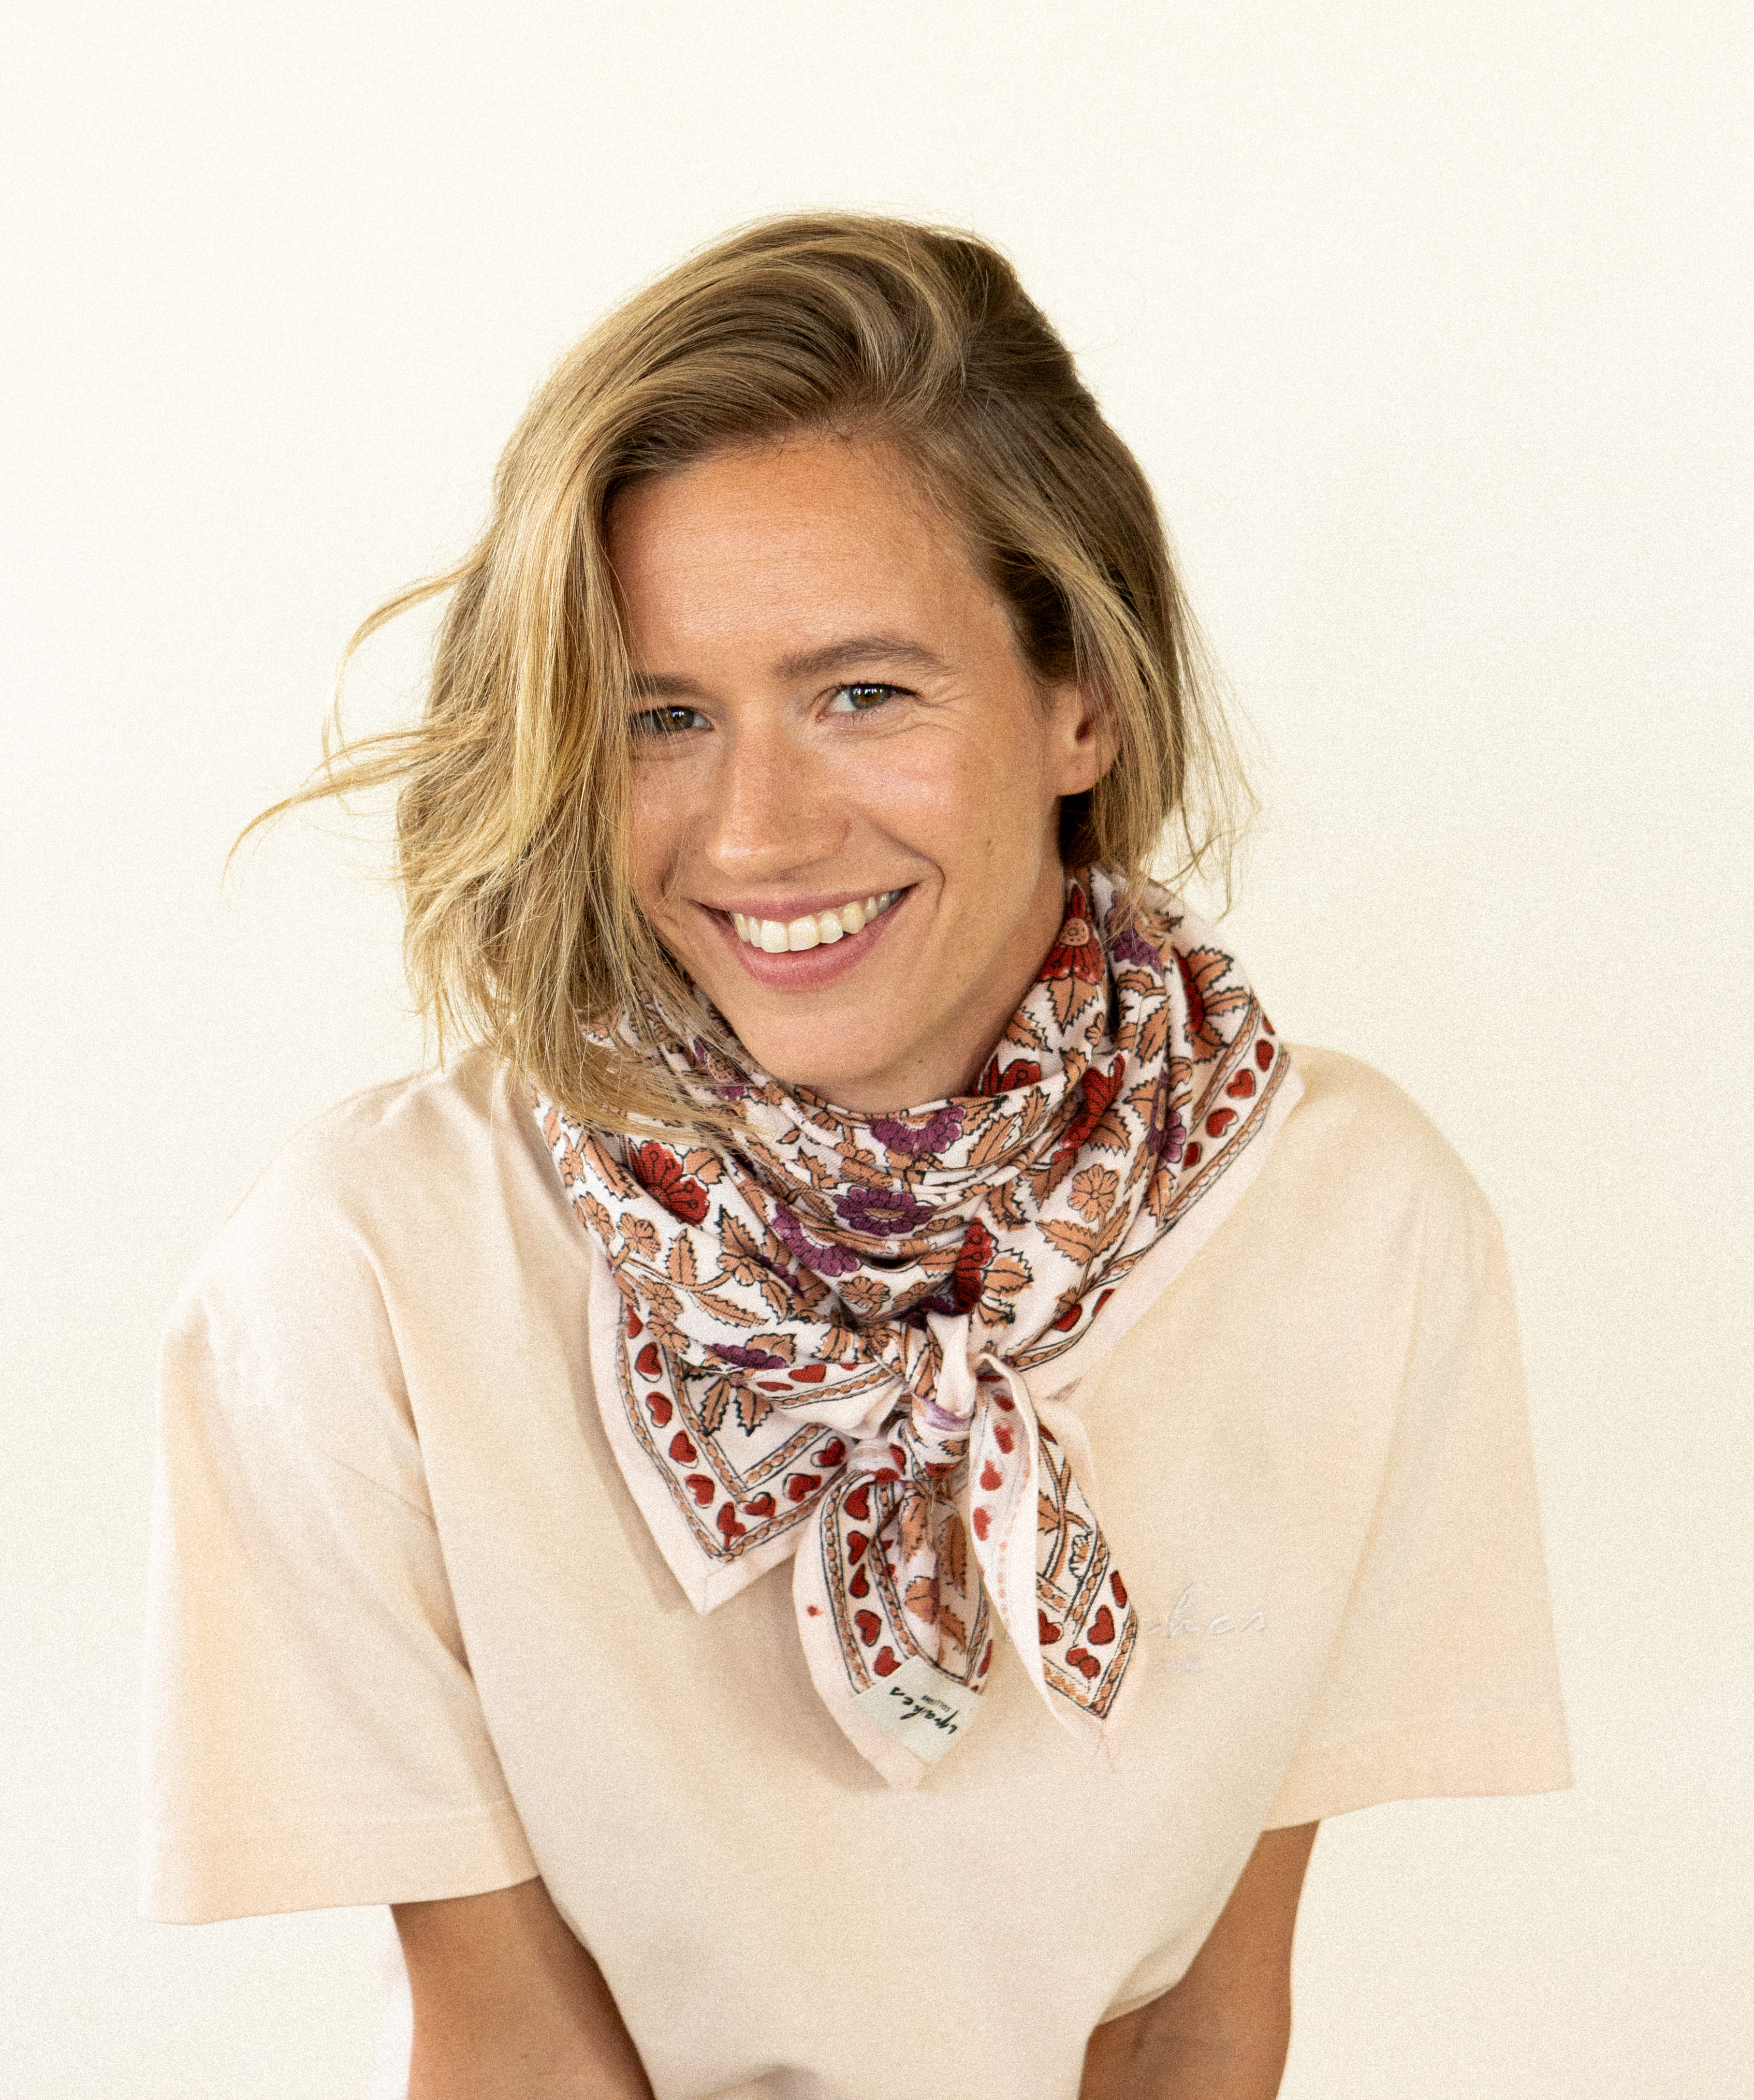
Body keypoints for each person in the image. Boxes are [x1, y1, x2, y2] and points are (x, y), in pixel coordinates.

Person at [141, 213, 1571, 2100]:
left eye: (863, 694)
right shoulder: (364, 1274)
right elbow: (519, 2054)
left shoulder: (1349, 1221)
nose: (755, 831)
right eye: (662, 718)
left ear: (1083, 699)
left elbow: (1193, 2027)